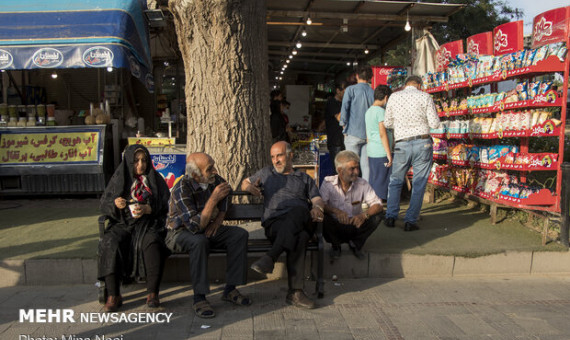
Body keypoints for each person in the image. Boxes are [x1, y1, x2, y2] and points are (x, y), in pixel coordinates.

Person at [165, 152, 251, 319]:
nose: (215, 171)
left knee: (239, 235)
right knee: (199, 242)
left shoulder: (214, 180)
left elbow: (227, 191)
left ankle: (230, 289)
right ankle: (199, 298)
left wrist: (218, 221)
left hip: (207, 229)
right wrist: (213, 200)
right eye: (209, 169)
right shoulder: (181, 188)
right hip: (180, 233)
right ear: (196, 175)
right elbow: (194, 226)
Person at [241, 141, 324, 309]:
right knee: (300, 237)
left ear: (290, 155)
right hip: (276, 224)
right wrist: (250, 188)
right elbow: (244, 182)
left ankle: (270, 257)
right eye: (272, 157)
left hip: (301, 219)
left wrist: (317, 208)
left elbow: (316, 199)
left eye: (279, 155)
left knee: (300, 210)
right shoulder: (266, 173)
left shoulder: (303, 178)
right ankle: (295, 293)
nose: (275, 160)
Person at [98, 144, 170, 312]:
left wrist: (149, 209)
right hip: (123, 223)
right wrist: (116, 204)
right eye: (136, 161)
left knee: (152, 242)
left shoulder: (155, 179)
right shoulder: (119, 178)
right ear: (129, 162)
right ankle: (113, 295)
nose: (140, 165)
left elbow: (165, 203)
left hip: (148, 223)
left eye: (144, 160)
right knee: (110, 242)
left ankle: (153, 293)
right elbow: (105, 203)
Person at [383, 75, 440, 231]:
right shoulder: (425, 96)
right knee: (419, 183)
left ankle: (390, 216)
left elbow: (387, 123)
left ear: (405, 84)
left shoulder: (394, 97)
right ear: (419, 86)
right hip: (423, 143)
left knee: (395, 180)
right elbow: (435, 123)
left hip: (401, 143)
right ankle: (410, 220)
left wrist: (401, 124)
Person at [320, 151, 383, 261]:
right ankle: (335, 245)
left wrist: (364, 216)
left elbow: (378, 204)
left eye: (357, 168)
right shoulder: (328, 183)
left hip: (355, 224)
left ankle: (356, 243)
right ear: (340, 170)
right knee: (322, 216)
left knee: (378, 215)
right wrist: (335, 211)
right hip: (335, 226)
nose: (356, 172)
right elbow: (320, 204)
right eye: (352, 169)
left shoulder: (362, 183)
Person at [339, 66, 374, 182]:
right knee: (366, 166)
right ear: (370, 78)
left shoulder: (350, 90)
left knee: (350, 165)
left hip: (352, 133)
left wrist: (343, 125)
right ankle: (365, 194)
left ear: (357, 76)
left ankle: (350, 193)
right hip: (368, 135)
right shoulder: (373, 92)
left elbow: (344, 109)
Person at [365, 85, 393, 201]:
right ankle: (378, 207)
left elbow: (368, 134)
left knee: (375, 179)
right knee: (382, 182)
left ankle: (374, 205)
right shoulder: (381, 112)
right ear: (386, 98)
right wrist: (388, 154)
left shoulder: (368, 111)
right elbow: (383, 133)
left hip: (372, 151)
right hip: (381, 151)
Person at [325, 82, 347, 172]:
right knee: (338, 169)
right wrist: (346, 103)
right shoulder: (332, 102)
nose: (346, 95)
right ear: (338, 91)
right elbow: (339, 118)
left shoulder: (342, 103)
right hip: (335, 141)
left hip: (344, 141)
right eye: (344, 92)